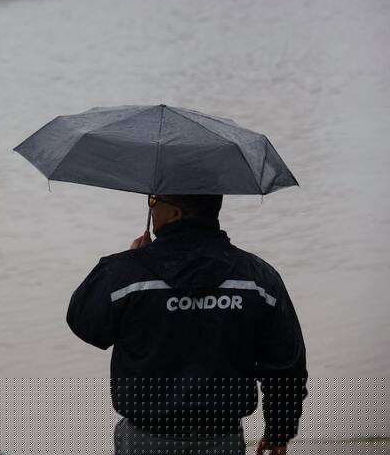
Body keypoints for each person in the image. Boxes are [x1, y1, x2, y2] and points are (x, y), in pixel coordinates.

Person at [67, 194, 307, 455]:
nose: (151, 207)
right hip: (222, 440)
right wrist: (279, 433)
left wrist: (126, 263)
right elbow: (286, 366)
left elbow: (85, 323)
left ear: (175, 214)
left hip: (144, 441)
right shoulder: (259, 279)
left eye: (152, 201)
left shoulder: (125, 275)